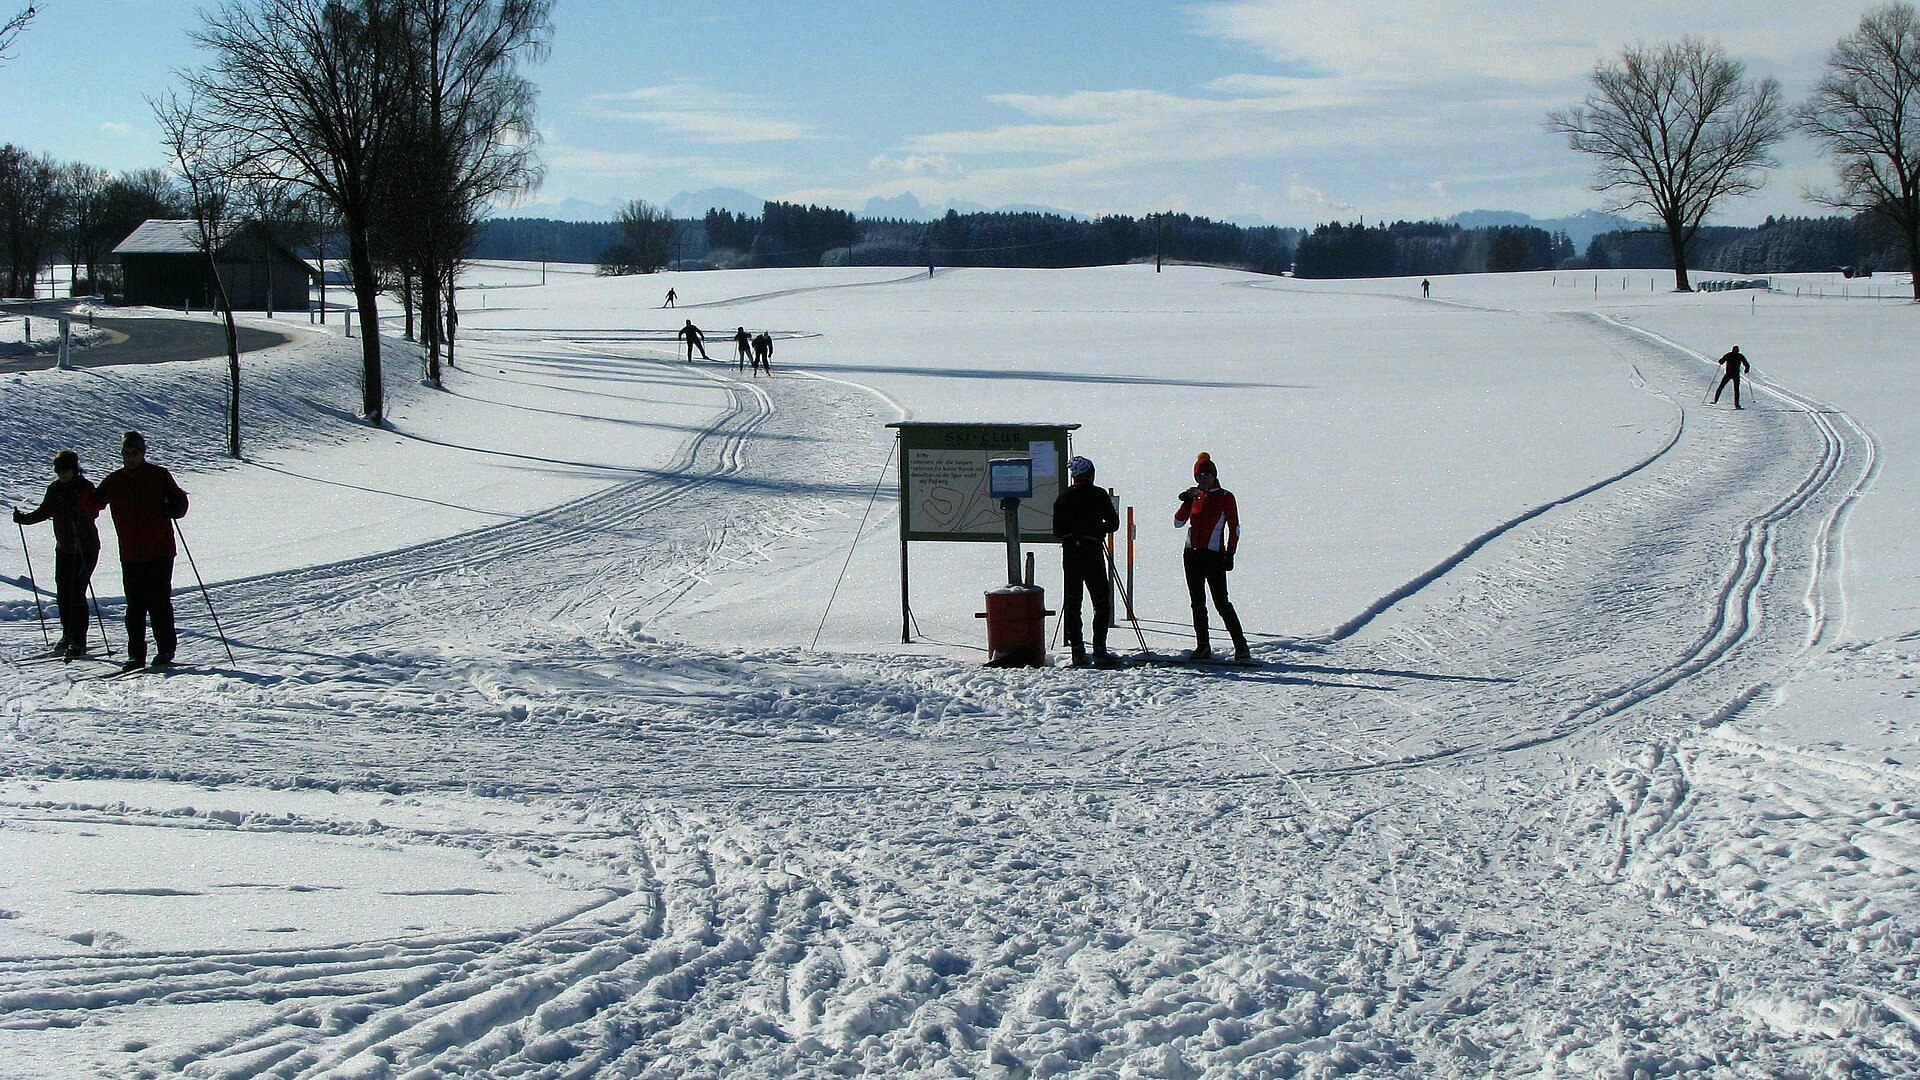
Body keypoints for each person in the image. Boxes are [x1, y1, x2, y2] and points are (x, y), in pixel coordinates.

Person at [87, 431, 189, 672]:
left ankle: (165, 649)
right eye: (126, 453)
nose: (130, 457)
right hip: (131, 553)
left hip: (160, 550)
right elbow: (93, 503)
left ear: (143, 453)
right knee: (134, 606)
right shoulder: (114, 480)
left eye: (135, 452)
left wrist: (172, 508)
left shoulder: (158, 475)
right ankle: (136, 655)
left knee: (159, 601)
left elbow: (181, 503)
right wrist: (79, 490)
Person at [12, 450, 102, 660]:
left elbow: (95, 511)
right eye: (59, 471)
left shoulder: (85, 487)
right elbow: (45, 511)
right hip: (64, 548)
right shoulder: (54, 490)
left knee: (76, 591)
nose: (63, 475)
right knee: (63, 592)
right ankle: (67, 633)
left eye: (67, 470)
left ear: (75, 470)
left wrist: (77, 504)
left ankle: (79, 639)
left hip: (86, 548)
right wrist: (23, 519)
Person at [1174, 451, 1250, 662]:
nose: (1203, 478)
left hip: (1214, 555)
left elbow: (1234, 528)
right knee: (1197, 602)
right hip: (1192, 554)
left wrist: (1230, 553)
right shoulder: (1194, 496)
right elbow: (1178, 522)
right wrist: (1187, 503)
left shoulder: (1225, 497)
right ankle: (1203, 645)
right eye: (1199, 475)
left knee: (1221, 602)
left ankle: (1241, 647)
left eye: (1207, 474)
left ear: (1215, 475)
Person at [1052, 455, 1120, 667]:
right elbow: (1113, 523)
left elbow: (1057, 531)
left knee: (1073, 602)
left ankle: (1077, 651)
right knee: (1101, 600)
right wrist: (1095, 530)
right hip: (1092, 551)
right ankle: (1099, 649)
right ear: (1090, 475)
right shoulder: (1098, 495)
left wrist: (1074, 534)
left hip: (1071, 553)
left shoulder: (1063, 498)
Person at [1712, 345, 1751, 409]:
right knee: (1736, 390)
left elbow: (1721, 361)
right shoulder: (1739, 356)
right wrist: (1746, 369)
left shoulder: (1729, 355)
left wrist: (1721, 362)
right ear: (1738, 350)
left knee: (1721, 387)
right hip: (1736, 375)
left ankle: (1715, 400)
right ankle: (1737, 404)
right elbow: (1746, 364)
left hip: (1728, 374)